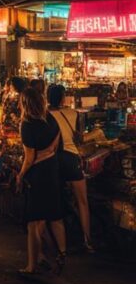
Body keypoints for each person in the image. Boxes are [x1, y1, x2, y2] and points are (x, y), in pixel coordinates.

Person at [17, 87, 67, 274]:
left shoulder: (27, 125)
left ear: (25, 104)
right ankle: (61, 254)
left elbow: (29, 158)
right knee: (54, 214)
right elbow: (54, 146)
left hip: (37, 175)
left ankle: (32, 265)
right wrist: (45, 154)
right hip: (52, 170)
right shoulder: (51, 119)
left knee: (34, 222)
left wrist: (21, 175)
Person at [47, 83, 93, 252]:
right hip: (72, 159)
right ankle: (87, 241)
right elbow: (79, 138)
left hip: (54, 160)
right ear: (62, 97)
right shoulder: (73, 113)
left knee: (55, 201)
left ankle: (59, 244)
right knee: (82, 201)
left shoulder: (46, 115)